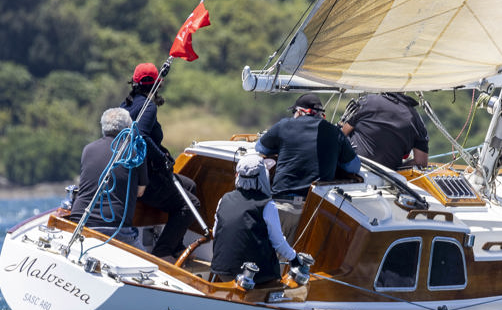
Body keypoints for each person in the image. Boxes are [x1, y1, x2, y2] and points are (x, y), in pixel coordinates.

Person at [255, 93, 360, 242]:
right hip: (313, 214)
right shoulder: (334, 132)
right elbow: (354, 167)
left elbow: (260, 147)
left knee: (266, 260)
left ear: (299, 111)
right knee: (297, 262)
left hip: (280, 207)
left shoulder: (284, 125)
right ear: (320, 115)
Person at [121, 61, 199, 259]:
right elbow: (142, 136)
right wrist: (162, 157)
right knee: (191, 205)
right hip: (145, 179)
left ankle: (176, 244)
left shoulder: (125, 106)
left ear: (134, 83)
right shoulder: (148, 108)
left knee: (189, 186)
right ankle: (163, 251)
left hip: (128, 175)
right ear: (158, 83)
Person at [211, 154, 300, 285]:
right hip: (256, 277)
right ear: (263, 176)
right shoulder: (267, 205)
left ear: (237, 176)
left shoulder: (224, 199)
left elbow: (215, 233)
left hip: (222, 271)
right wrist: (295, 259)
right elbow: (278, 243)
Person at [69, 107, 148, 247]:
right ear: (128, 128)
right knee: (151, 267)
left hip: (79, 221)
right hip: (115, 228)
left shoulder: (88, 149)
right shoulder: (134, 152)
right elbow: (140, 192)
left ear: (103, 128)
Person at [340, 92, 429, 170]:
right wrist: (398, 167)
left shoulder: (367, 102)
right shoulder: (414, 117)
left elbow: (341, 135)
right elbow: (421, 162)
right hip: (388, 177)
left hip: (354, 170)